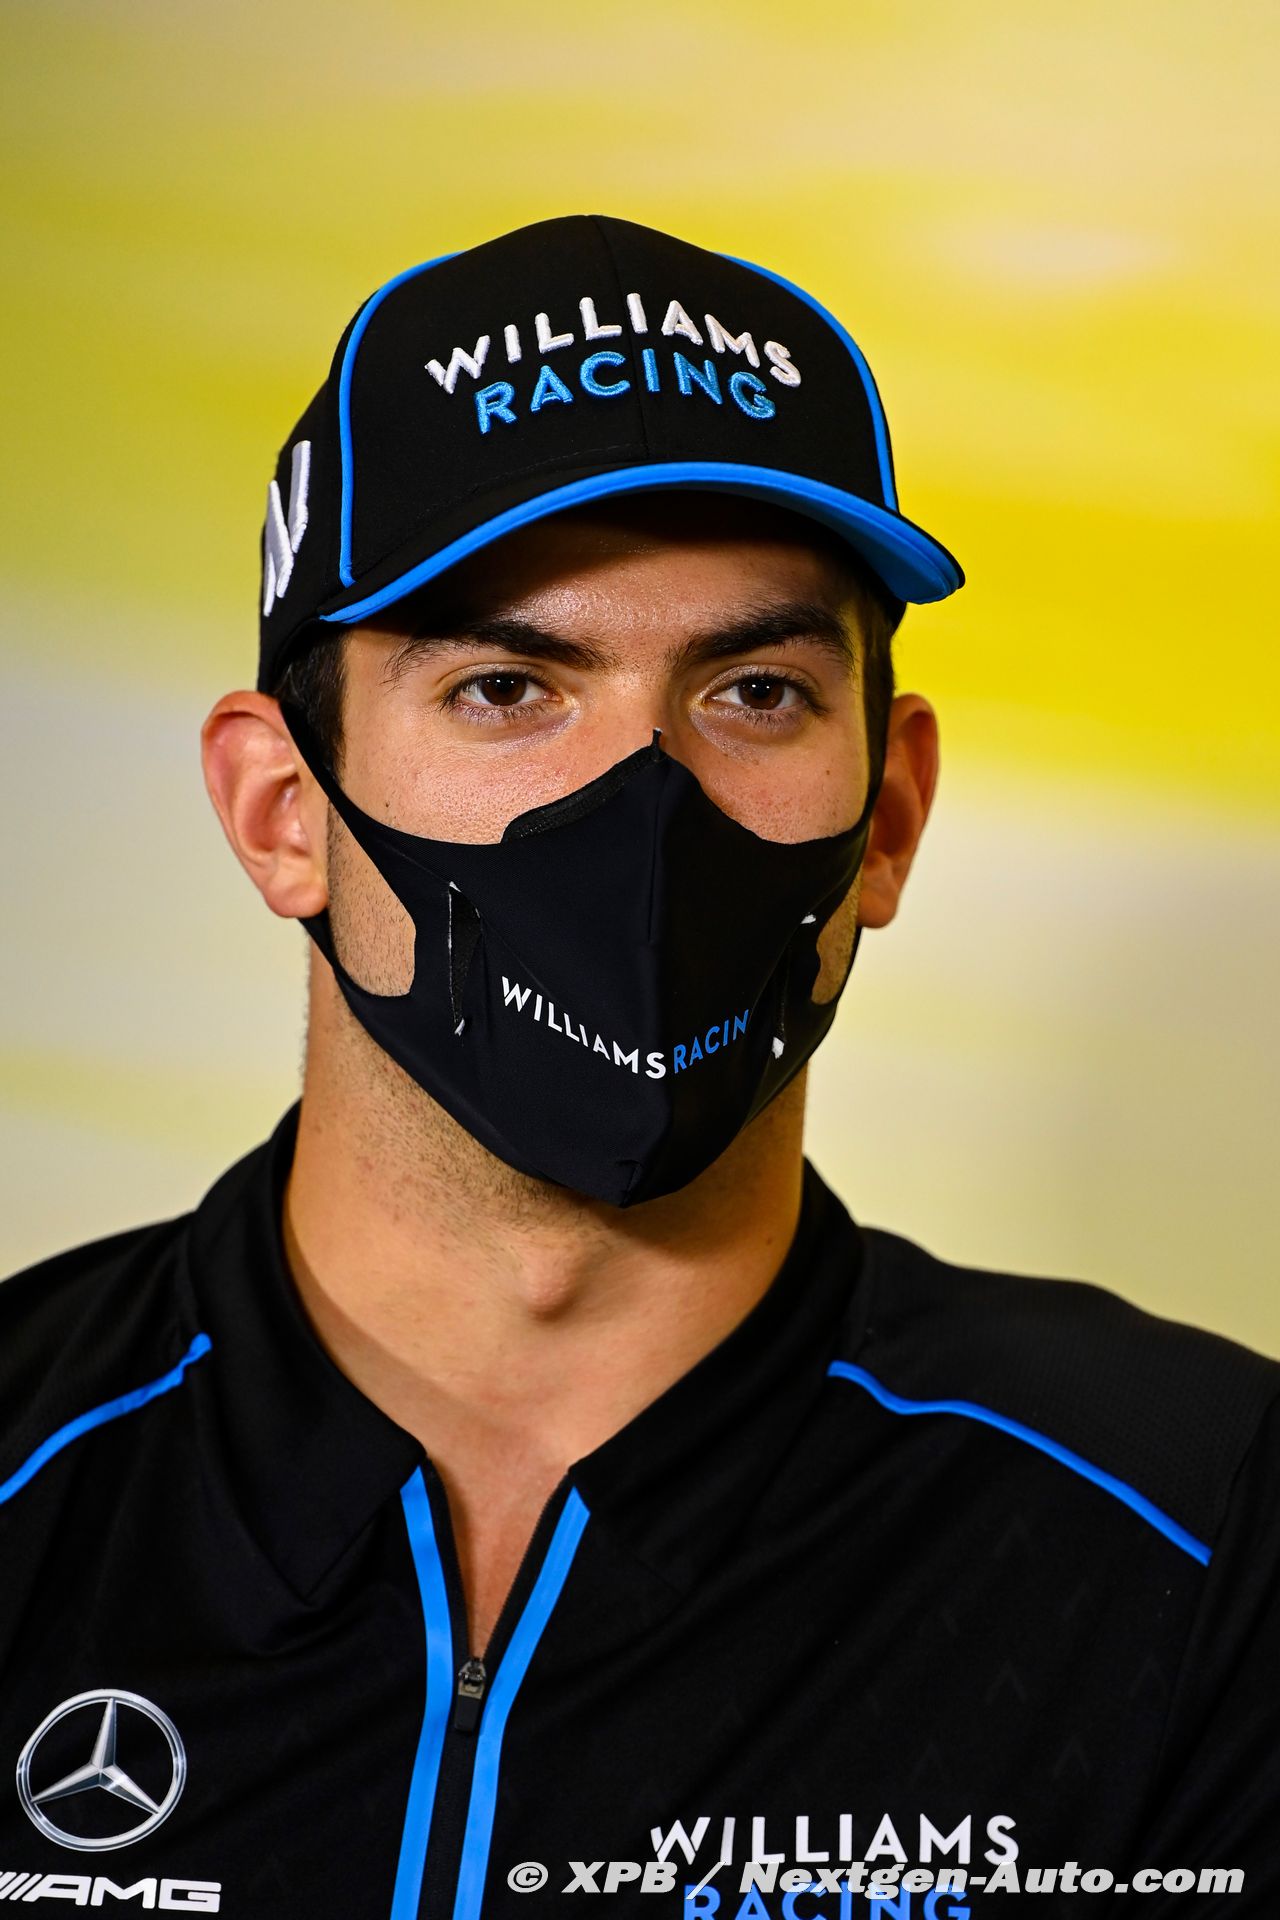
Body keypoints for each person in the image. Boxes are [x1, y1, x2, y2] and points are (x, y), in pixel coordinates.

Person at [1, 214, 1276, 1918]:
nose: (645, 800)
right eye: (505, 686)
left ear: (890, 816)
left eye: (754, 690)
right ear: (281, 810)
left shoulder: (1207, 1535)